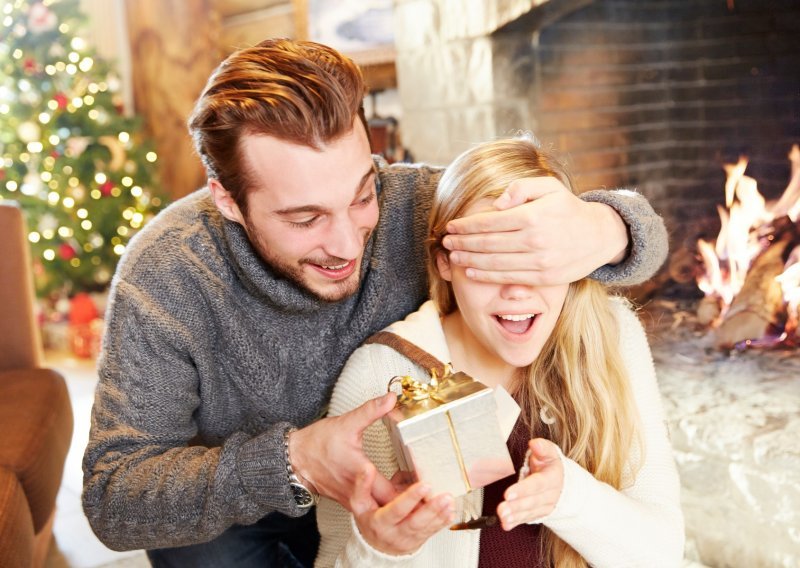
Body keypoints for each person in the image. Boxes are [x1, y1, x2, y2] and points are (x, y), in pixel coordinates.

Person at [81, 39, 669, 567]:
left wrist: (604, 226)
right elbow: (112, 497)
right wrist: (295, 461)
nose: (345, 244)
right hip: (228, 518)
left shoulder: (416, 207)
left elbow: (639, 240)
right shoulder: (166, 275)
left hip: (386, 513)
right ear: (228, 200)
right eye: (304, 217)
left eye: (361, 195)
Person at [315, 137, 684, 567]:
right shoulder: (385, 376)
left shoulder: (611, 336)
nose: (516, 290)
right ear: (444, 263)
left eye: (534, 259)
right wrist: (380, 549)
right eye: (489, 261)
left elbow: (661, 554)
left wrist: (568, 496)